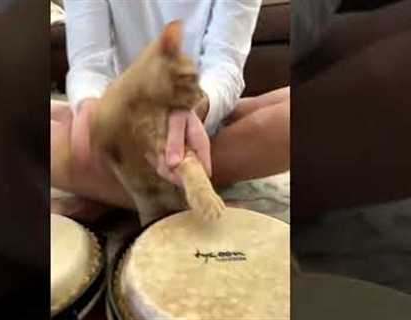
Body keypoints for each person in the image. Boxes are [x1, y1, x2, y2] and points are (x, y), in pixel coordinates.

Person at [51, 0, 290, 213]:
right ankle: (148, 191)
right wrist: (88, 105)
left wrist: (197, 107)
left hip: (195, 109)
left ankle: (111, 188)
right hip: (126, 119)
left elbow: (225, 65)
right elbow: (90, 65)